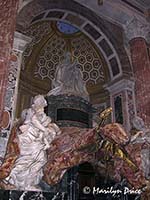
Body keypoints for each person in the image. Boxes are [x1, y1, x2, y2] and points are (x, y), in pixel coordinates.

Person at [4, 95, 61, 191]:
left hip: (37, 141)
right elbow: (32, 122)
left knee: (38, 161)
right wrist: (44, 130)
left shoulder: (46, 117)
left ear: (43, 104)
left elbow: (50, 128)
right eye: (37, 102)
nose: (38, 104)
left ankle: (27, 182)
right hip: (29, 140)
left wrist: (52, 130)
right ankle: (13, 177)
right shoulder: (31, 112)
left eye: (40, 103)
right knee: (29, 160)